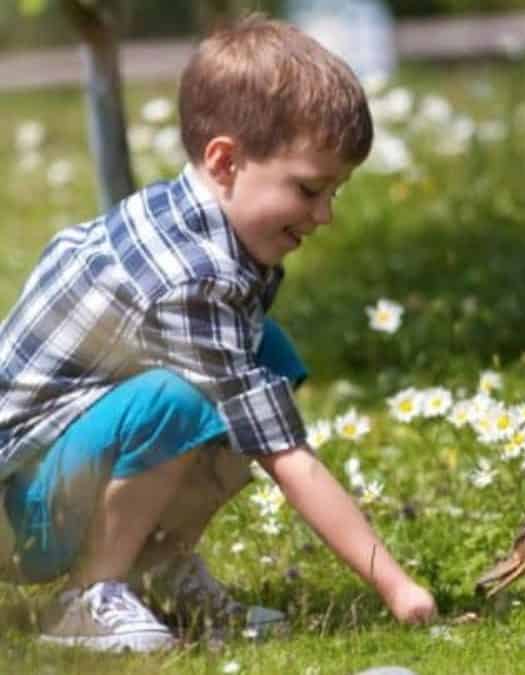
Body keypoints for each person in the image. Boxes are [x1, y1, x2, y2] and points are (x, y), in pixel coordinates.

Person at [0, 14, 436, 653]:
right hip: (19, 517)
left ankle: (154, 571)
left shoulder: (199, 227)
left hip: (53, 483)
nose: (326, 215)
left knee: (264, 356)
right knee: (183, 401)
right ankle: (88, 595)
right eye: (310, 189)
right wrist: (397, 586)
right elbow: (284, 455)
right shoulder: (191, 280)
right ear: (225, 160)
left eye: (335, 192)